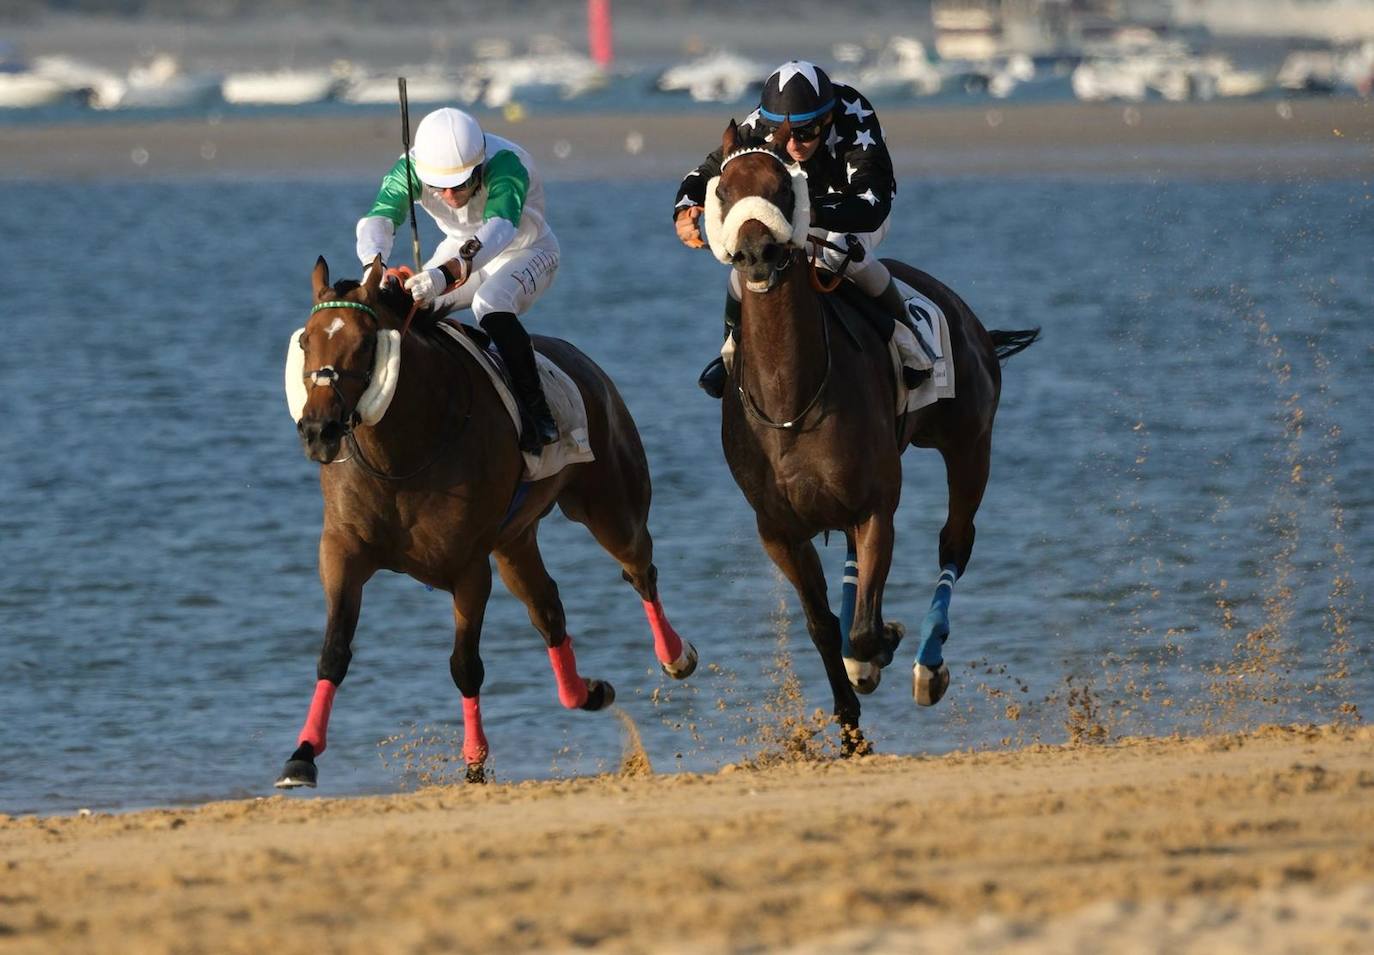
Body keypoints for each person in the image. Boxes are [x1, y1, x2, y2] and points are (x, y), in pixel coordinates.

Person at [673, 60, 912, 398]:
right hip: (792, 212)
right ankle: (731, 352)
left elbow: (871, 207)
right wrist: (685, 207)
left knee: (839, 254)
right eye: (787, 133)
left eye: (807, 132)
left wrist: (806, 214)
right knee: (744, 266)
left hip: (855, 211)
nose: (794, 145)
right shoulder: (760, 125)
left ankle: (907, 337)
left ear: (826, 119)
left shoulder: (855, 117)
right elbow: (709, 169)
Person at [356, 106, 560, 452]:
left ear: (479, 167)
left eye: (461, 185)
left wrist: (443, 275)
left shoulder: (507, 163)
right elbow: (379, 218)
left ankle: (537, 413)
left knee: (489, 304)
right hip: (460, 248)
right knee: (408, 307)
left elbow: (499, 228)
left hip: (525, 250)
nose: (450, 197)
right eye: (439, 188)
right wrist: (372, 268)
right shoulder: (410, 167)